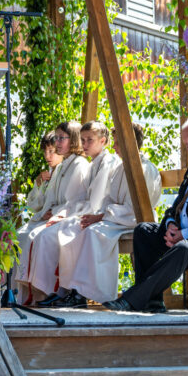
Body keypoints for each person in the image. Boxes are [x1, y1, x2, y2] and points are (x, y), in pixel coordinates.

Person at [104, 118, 188, 313]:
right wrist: (171, 224)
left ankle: (132, 300)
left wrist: (186, 233)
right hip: (182, 233)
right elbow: (175, 207)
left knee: (183, 248)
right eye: (185, 143)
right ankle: (153, 302)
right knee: (143, 231)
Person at [60, 123, 163, 306]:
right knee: (82, 230)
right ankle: (77, 291)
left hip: (134, 220)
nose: (114, 147)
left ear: (130, 143)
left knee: (94, 234)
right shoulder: (122, 167)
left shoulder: (144, 169)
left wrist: (101, 217)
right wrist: (99, 215)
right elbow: (109, 199)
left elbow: (135, 208)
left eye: (117, 143)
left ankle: (94, 294)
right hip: (116, 218)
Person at [28, 120, 123, 307]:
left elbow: (95, 202)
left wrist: (66, 214)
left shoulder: (105, 162)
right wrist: (63, 213)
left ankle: (73, 292)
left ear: (103, 141)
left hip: (102, 215)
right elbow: (79, 200)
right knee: (52, 232)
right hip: (87, 213)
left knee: (61, 234)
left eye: (90, 140)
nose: (85, 144)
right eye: (83, 140)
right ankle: (60, 291)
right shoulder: (93, 163)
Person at [13, 121, 90, 304]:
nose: (57, 143)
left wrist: (52, 213)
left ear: (73, 139)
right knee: (22, 235)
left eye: (61, 138)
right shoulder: (63, 166)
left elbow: (74, 201)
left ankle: (47, 291)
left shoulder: (80, 165)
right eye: (56, 138)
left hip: (72, 217)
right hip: (58, 215)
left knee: (41, 237)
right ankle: (22, 293)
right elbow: (49, 200)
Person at [25, 131, 63, 215]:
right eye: (45, 152)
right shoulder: (46, 175)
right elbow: (32, 207)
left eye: (51, 151)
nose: (47, 156)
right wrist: (38, 185)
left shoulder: (65, 171)